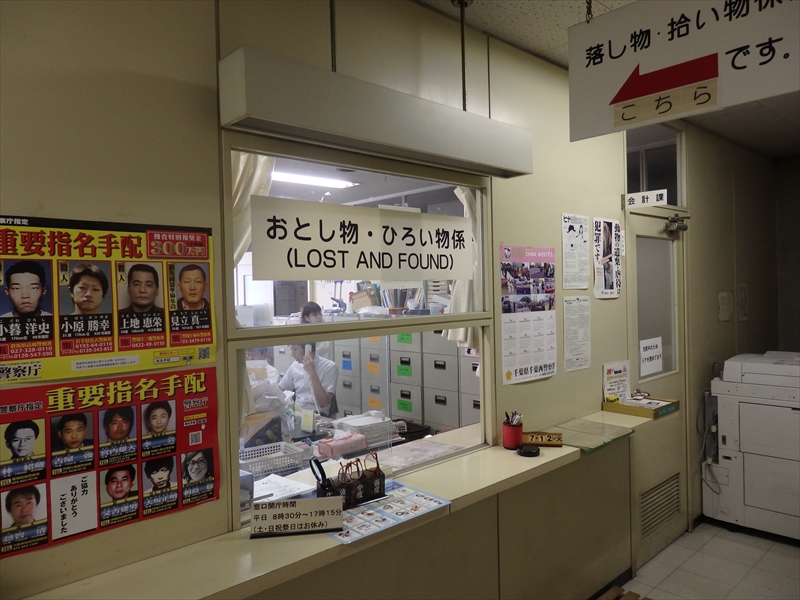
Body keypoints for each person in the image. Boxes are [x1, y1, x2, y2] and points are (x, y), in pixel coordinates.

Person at [279, 342, 338, 415]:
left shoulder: (330, 367)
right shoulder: (295, 366)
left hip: (318, 415)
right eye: (291, 350)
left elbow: (323, 402)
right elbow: (280, 388)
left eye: (294, 350)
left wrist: (312, 372)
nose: (292, 354)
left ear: (308, 349)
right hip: (298, 413)